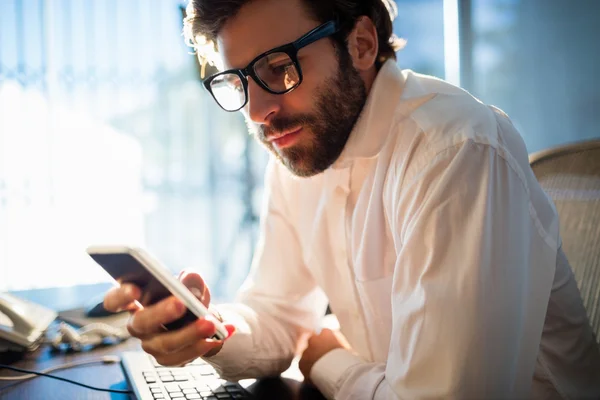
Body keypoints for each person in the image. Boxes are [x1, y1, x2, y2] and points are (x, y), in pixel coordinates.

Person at [104, 0, 600, 398]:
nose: (257, 111)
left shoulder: (454, 149)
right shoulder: (302, 148)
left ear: (361, 44)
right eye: (238, 81)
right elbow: (278, 314)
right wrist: (205, 329)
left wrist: (328, 360)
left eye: (278, 68)